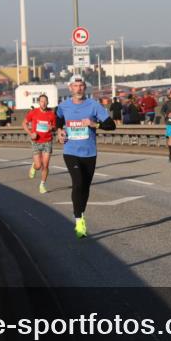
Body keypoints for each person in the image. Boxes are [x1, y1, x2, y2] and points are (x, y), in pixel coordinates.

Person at [56, 76, 117, 238]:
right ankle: (78, 221)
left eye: (81, 85)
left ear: (85, 88)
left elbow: (111, 125)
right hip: (71, 151)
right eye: (75, 85)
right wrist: (59, 131)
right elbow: (58, 119)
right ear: (70, 88)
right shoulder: (63, 106)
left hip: (90, 153)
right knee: (78, 183)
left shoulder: (94, 105)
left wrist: (95, 124)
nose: (78, 88)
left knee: (85, 187)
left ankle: (81, 213)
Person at [23, 94, 57, 194]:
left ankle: (42, 185)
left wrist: (52, 128)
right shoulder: (33, 112)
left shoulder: (51, 114)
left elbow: (55, 127)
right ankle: (34, 166)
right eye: (42, 101)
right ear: (39, 102)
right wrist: (31, 134)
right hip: (36, 141)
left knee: (45, 165)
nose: (44, 103)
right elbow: (24, 123)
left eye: (45, 101)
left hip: (47, 141)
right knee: (38, 166)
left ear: (48, 102)